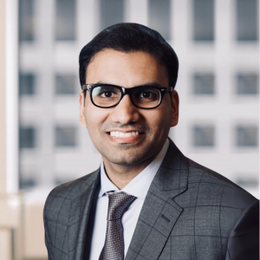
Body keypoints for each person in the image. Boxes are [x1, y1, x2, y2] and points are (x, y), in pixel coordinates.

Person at [43, 23, 259, 260]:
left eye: (146, 94)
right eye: (106, 93)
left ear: (173, 107)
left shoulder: (233, 217)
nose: (125, 115)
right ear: (82, 107)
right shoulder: (60, 206)